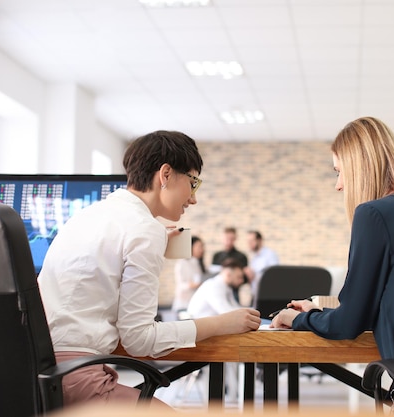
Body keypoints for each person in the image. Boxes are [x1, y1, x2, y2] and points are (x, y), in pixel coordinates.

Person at [37, 130, 261, 410]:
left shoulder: (90, 215)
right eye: (193, 183)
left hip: (38, 373)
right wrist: (221, 323)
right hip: (76, 380)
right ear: (165, 174)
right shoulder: (145, 229)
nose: (193, 199)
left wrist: (155, 242)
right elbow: (140, 340)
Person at [270, 116, 394, 399]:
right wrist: (318, 314)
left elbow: (348, 324)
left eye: (339, 171)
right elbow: (371, 310)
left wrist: (296, 319)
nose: (339, 185)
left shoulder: (375, 214)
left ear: (360, 168)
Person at [171, 235, 206, 317]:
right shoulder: (182, 263)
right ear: (191, 247)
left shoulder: (198, 263)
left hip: (195, 304)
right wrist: (192, 285)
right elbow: (180, 285)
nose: (202, 249)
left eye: (202, 247)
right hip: (183, 304)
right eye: (199, 247)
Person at [244, 230, 279, 302]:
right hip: (255, 294)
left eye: (251, 241)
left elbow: (274, 275)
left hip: (266, 296)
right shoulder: (254, 258)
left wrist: (254, 275)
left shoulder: (269, 255)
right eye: (248, 241)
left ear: (259, 240)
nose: (249, 244)